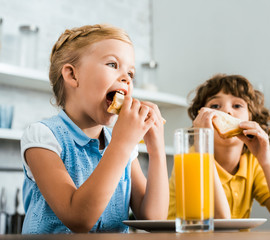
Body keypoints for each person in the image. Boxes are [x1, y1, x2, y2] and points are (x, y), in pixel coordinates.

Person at [20, 24, 169, 234]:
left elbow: (154, 219)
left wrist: (156, 150)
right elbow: (78, 219)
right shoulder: (43, 137)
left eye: (131, 73)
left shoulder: (121, 144)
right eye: (112, 64)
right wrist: (122, 143)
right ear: (72, 75)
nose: (126, 78)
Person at [168, 74, 270, 220]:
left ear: (251, 118)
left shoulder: (252, 163)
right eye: (215, 106)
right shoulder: (191, 159)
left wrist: (266, 161)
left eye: (237, 105)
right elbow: (220, 219)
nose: (227, 111)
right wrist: (203, 145)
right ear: (200, 119)